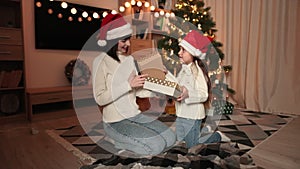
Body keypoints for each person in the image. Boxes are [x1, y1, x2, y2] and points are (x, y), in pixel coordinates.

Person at [92, 13, 176, 156]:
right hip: (115, 122)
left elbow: (138, 93)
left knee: (170, 138)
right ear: (113, 40)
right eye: (124, 40)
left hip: (135, 116)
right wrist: (128, 85)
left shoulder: (128, 60)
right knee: (157, 145)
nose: (129, 44)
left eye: (128, 40)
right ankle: (117, 141)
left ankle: (125, 141)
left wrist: (155, 80)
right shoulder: (100, 61)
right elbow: (100, 98)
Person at [174, 30, 230, 148]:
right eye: (180, 49)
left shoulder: (197, 72)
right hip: (181, 113)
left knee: (193, 145)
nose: (179, 53)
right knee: (179, 140)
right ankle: (202, 132)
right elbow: (176, 85)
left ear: (193, 54)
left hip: (192, 116)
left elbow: (203, 94)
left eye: (183, 50)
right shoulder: (182, 69)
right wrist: (166, 76)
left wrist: (188, 94)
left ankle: (216, 136)